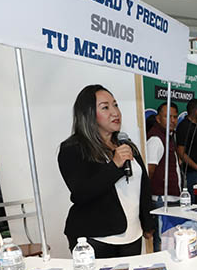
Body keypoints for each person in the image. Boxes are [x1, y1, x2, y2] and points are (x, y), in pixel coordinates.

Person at [58, 84, 155, 257]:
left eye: (116, 105)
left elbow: (144, 186)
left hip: (133, 235)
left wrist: (148, 223)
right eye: (105, 107)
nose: (115, 112)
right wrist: (114, 166)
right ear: (88, 113)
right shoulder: (73, 148)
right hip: (95, 238)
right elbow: (81, 194)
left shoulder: (126, 144)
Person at [146, 102, 181, 251]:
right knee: (163, 243)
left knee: (170, 242)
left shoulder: (168, 136)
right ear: (158, 118)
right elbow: (149, 172)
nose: (172, 120)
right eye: (168, 117)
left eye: (175, 117)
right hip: (162, 200)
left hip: (170, 199)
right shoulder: (156, 139)